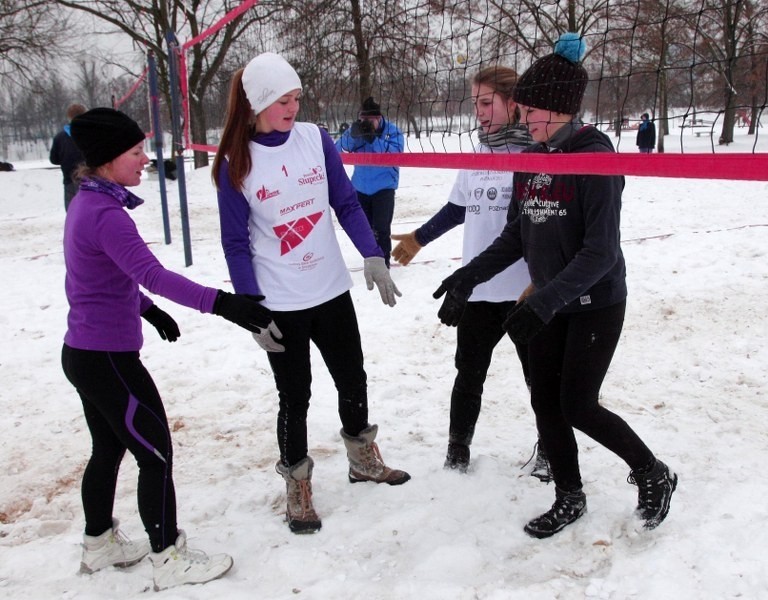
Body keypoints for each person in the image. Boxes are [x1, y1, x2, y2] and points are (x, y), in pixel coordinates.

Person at [432, 33, 678, 538]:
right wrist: (466, 276)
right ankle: (569, 495)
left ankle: (652, 472)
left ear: (559, 107)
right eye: (520, 112)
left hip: (594, 301)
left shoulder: (595, 155)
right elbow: (516, 235)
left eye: (530, 112)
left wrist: (544, 298)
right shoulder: (532, 154)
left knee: (577, 403)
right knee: (545, 401)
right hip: (549, 303)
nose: (523, 121)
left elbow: (600, 251)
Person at [62, 107, 273, 590]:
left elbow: (97, 276)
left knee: (109, 447)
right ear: (108, 159)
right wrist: (222, 304)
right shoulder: (108, 216)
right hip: (108, 360)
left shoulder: (85, 204)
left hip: (83, 353)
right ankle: (168, 557)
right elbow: (153, 274)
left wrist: (145, 309)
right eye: (135, 153)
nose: (144, 160)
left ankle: (99, 545)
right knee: (155, 450)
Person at [212, 53, 410, 535]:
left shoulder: (314, 139)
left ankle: (362, 459)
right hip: (280, 301)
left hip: (330, 291)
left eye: (297, 97)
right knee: (294, 395)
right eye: (284, 99)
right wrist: (251, 309)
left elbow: (344, 201)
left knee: (352, 377)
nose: (294, 107)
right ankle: (297, 483)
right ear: (258, 102)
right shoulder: (234, 165)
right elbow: (235, 244)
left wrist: (373, 253)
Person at [390, 66, 550, 480]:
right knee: (468, 374)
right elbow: (459, 209)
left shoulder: (535, 154)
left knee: (539, 379)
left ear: (512, 104)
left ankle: (550, 451)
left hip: (524, 290)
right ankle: (457, 452)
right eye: (475, 102)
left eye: (485, 102)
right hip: (476, 290)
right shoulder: (476, 155)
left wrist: (546, 279)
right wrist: (419, 238)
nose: (477, 111)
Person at [335, 96, 404, 267]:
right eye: (362, 119)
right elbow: (338, 149)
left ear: (378, 118)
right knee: (364, 230)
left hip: (384, 188)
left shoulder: (393, 132)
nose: (365, 122)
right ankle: (370, 261)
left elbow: (395, 156)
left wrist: (373, 139)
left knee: (381, 228)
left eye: (369, 120)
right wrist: (352, 136)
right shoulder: (355, 130)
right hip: (360, 188)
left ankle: (384, 263)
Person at [50, 103, 88, 211]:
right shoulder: (91, 134)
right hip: (91, 179)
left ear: (69, 117)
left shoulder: (60, 137)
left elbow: (54, 159)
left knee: (73, 212)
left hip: (69, 180)